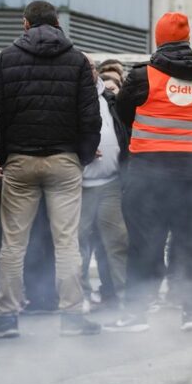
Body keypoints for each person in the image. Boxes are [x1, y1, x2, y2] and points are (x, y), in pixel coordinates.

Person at [0, 0, 101, 338]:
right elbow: (90, 117)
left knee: (12, 244)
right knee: (66, 242)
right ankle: (72, 317)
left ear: (25, 24)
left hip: (20, 162)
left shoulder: (6, 59)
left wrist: (2, 155)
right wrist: (78, 157)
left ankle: (6, 317)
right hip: (64, 161)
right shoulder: (77, 60)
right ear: (57, 23)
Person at [108, 12, 192, 333]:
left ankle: (137, 313)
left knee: (144, 244)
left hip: (149, 176)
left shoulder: (144, 76)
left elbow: (123, 112)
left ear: (159, 39)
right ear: (187, 39)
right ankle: (191, 313)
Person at [78, 55, 130, 308]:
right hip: (80, 185)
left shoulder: (109, 99)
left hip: (110, 183)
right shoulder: (71, 97)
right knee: (78, 244)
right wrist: (82, 147)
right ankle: (80, 296)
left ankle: (125, 297)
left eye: (91, 67)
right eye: (84, 67)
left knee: (118, 241)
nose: (89, 71)